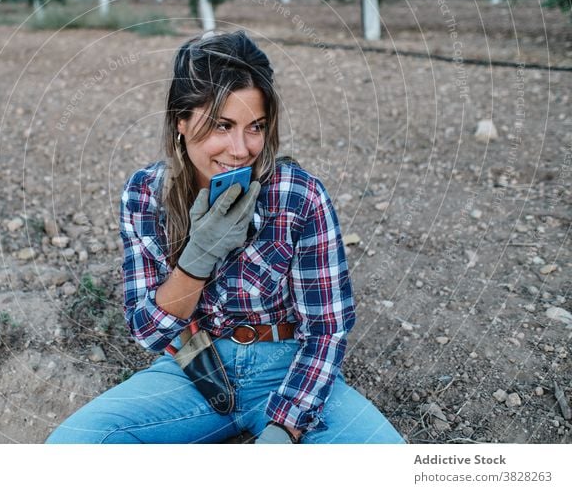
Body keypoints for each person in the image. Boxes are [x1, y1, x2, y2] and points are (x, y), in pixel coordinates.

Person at [46, 30, 403, 444]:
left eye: (256, 127)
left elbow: (326, 329)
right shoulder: (146, 194)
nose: (240, 148)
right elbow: (149, 332)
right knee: (75, 444)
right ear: (181, 121)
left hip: (287, 368)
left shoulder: (296, 193)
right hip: (196, 369)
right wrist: (197, 257)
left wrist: (286, 426)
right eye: (222, 125)